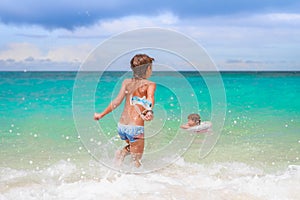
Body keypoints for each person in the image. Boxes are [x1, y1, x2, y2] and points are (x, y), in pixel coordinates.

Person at [94, 54, 156, 168]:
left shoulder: (127, 82)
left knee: (132, 147)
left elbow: (116, 101)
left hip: (122, 126)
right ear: (148, 69)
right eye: (151, 68)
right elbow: (150, 98)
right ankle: (138, 180)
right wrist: (149, 111)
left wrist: (101, 114)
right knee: (136, 159)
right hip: (135, 128)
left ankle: (121, 155)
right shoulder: (150, 84)